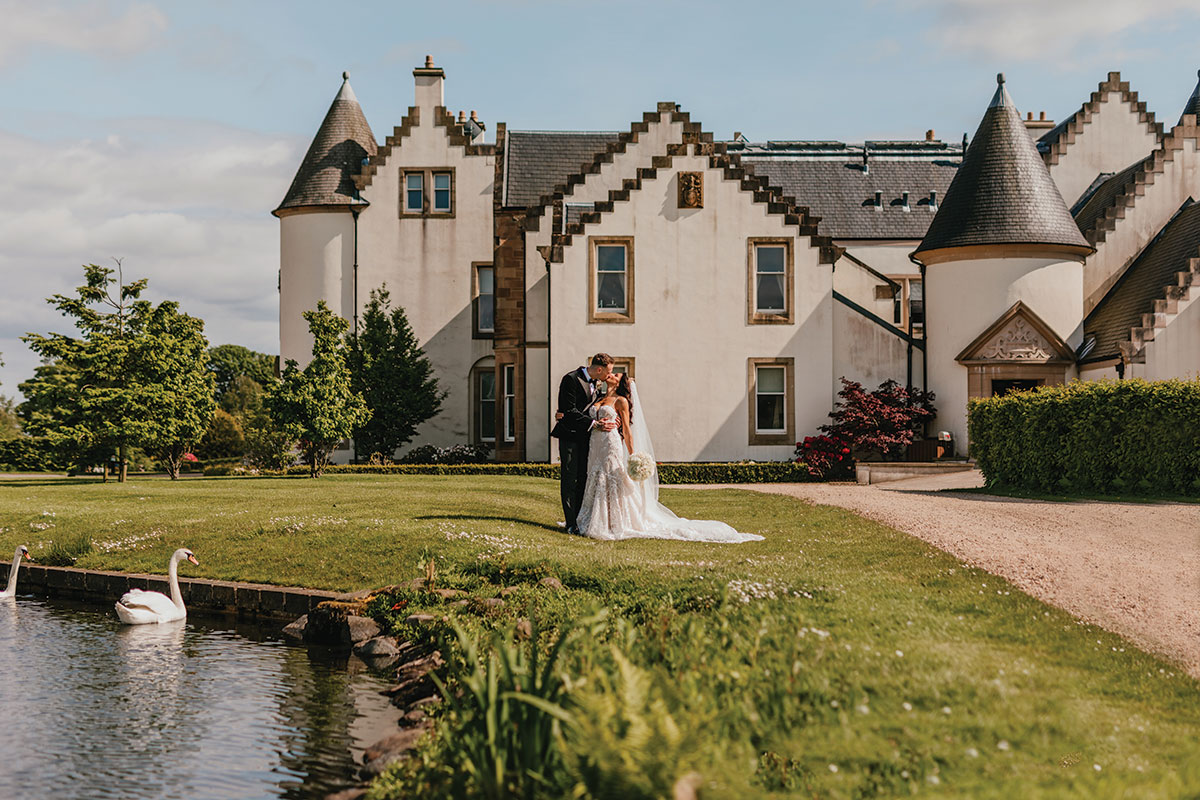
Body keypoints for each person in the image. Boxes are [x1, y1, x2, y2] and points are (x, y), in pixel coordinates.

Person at [574, 372, 763, 543]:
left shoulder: (621, 400)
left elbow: (627, 430)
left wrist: (634, 455)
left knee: (611, 478)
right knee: (596, 476)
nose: (611, 374)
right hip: (595, 443)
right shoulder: (598, 397)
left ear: (620, 382)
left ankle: (612, 522)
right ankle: (594, 517)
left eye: (615, 374)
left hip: (611, 443)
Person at [549, 353, 618, 536]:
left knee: (584, 477)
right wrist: (595, 424)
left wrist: (613, 418)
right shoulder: (571, 379)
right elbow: (569, 410)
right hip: (570, 436)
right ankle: (570, 523)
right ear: (599, 369)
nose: (610, 375)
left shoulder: (597, 383)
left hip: (586, 437)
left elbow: (598, 405)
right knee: (570, 478)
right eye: (609, 372)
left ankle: (581, 519)